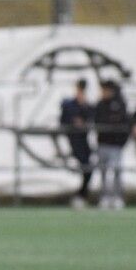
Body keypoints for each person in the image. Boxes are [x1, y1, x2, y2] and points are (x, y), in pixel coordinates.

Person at [94, 79, 131, 210]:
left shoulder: (120, 104)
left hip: (115, 144)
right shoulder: (100, 104)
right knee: (103, 172)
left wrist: (122, 141)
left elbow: (124, 122)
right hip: (103, 143)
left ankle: (117, 197)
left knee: (116, 171)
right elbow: (97, 120)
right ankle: (104, 197)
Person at [59, 78, 95, 209]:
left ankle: (81, 194)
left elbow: (92, 118)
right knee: (84, 167)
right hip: (73, 140)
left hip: (83, 141)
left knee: (88, 168)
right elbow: (63, 121)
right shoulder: (69, 105)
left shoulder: (86, 105)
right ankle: (81, 195)